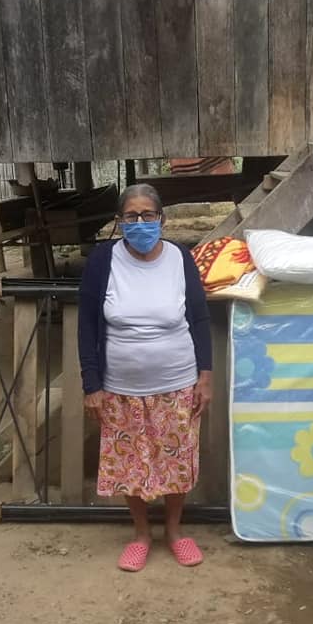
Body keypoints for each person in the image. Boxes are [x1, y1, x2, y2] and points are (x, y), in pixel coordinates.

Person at [78, 184, 213, 572]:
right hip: (121, 388)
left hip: (177, 382)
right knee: (129, 464)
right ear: (119, 221)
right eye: (131, 216)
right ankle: (141, 535)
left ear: (161, 219)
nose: (140, 223)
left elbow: (199, 318)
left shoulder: (179, 258)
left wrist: (205, 376)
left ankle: (174, 531)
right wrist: (91, 384)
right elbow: (87, 325)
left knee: (175, 461)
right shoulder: (103, 260)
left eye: (148, 215)